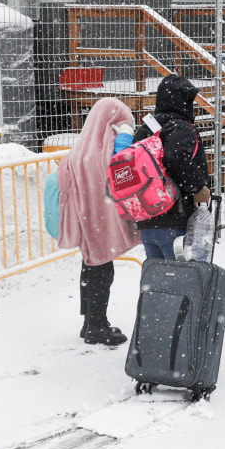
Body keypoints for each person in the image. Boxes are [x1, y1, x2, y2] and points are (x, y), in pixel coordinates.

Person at [57, 98, 141, 345]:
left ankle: (90, 322)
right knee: (103, 269)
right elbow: (120, 171)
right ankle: (96, 325)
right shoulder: (103, 151)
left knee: (91, 265)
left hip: (86, 219)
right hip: (102, 219)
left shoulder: (80, 150)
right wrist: (125, 139)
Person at [132, 74, 211, 259]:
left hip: (148, 220)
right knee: (182, 281)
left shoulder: (146, 129)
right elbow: (176, 158)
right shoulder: (180, 127)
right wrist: (199, 187)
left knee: (158, 281)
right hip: (175, 218)